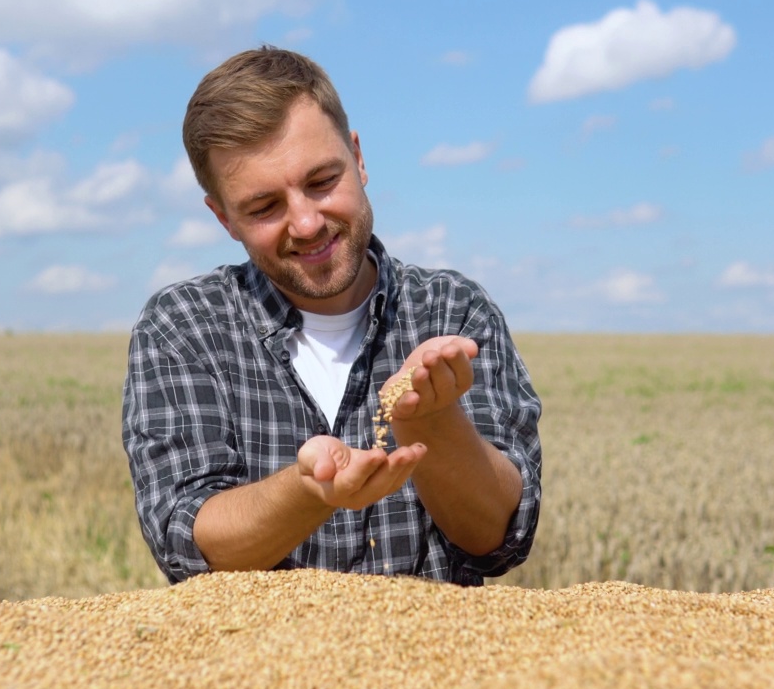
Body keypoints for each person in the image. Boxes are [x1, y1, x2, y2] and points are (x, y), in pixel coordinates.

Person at [122, 46, 542, 586]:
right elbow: (186, 540)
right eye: (264, 207)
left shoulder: (453, 311)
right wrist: (309, 490)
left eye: (322, 182)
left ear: (359, 158)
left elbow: (497, 539)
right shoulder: (183, 327)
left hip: (440, 663)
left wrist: (429, 420)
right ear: (223, 217)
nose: (305, 222)